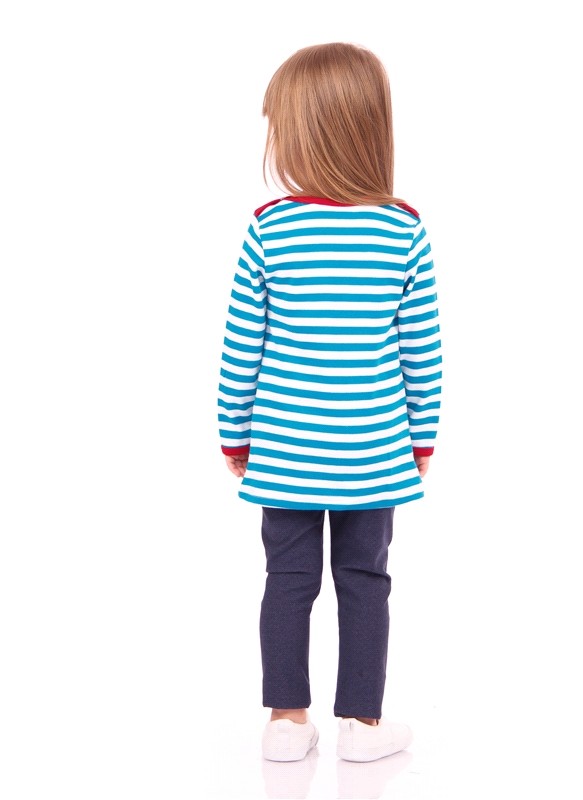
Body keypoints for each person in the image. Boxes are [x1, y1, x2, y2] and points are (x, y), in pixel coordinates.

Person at [217, 42, 442, 763]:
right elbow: (421, 354)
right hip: (373, 451)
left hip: (284, 451)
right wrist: (421, 439)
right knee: (365, 581)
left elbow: (241, 349)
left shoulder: (269, 229)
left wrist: (234, 435)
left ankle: (286, 722)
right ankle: (362, 727)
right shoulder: (403, 230)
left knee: (287, 579)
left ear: (303, 133)